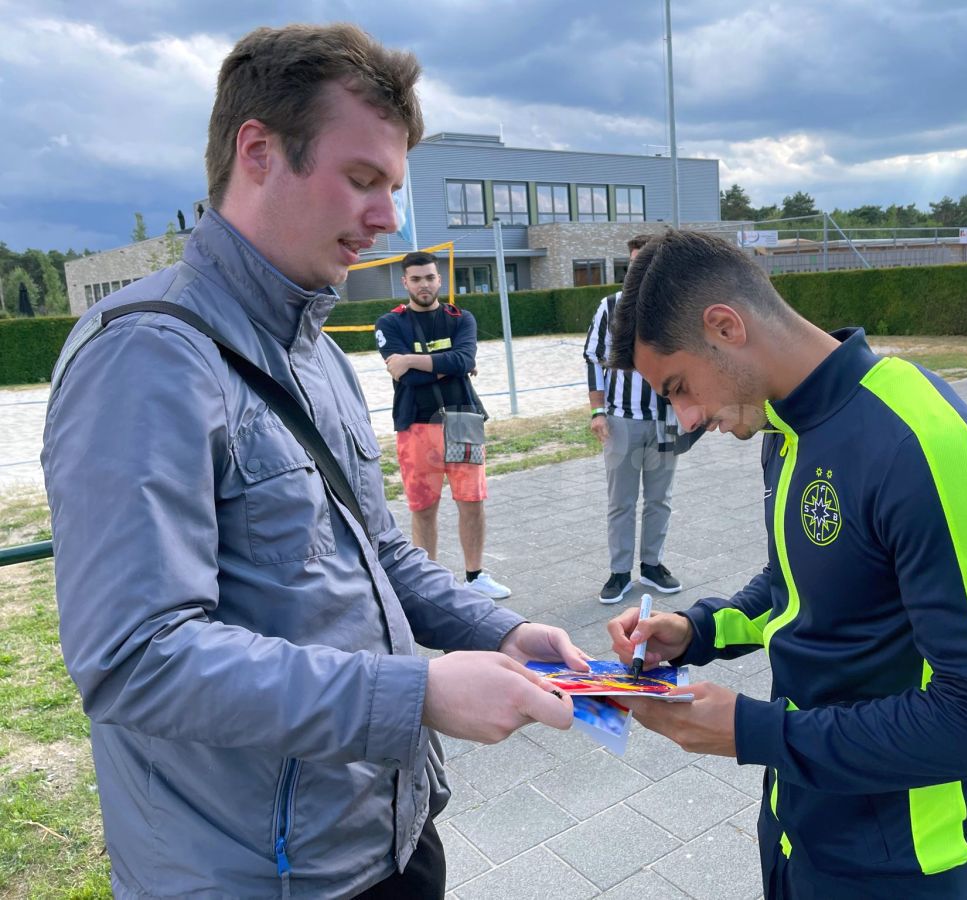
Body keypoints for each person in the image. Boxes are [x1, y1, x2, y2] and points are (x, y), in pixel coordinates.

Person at [41, 24, 584, 899]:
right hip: (261, 873)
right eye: (363, 179)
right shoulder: (144, 358)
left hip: (387, 835)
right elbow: (134, 657)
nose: (389, 218)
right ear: (257, 151)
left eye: (393, 186)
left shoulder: (318, 353)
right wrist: (416, 695)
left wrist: (501, 632)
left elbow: (379, 554)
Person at [605, 230, 967, 899]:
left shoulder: (930, 446)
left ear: (726, 326)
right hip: (799, 833)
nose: (685, 419)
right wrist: (698, 631)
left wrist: (754, 731)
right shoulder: (785, 429)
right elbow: (798, 590)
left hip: (906, 870)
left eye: (679, 386)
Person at [375, 251, 510, 600]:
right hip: (415, 424)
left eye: (430, 277)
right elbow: (407, 379)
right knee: (423, 508)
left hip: (462, 417)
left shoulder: (460, 317)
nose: (424, 284)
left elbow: (463, 358)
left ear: (440, 280)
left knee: (472, 502)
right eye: (416, 279)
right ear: (405, 282)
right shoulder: (390, 323)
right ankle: (429, 583)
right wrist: (448, 366)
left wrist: (412, 361)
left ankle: (475, 576)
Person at [583, 234, 682, 603]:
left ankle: (653, 565)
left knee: (661, 498)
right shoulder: (611, 307)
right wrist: (597, 411)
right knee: (621, 500)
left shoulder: (676, 307)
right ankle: (620, 572)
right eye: (637, 262)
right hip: (622, 419)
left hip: (666, 418)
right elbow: (593, 358)